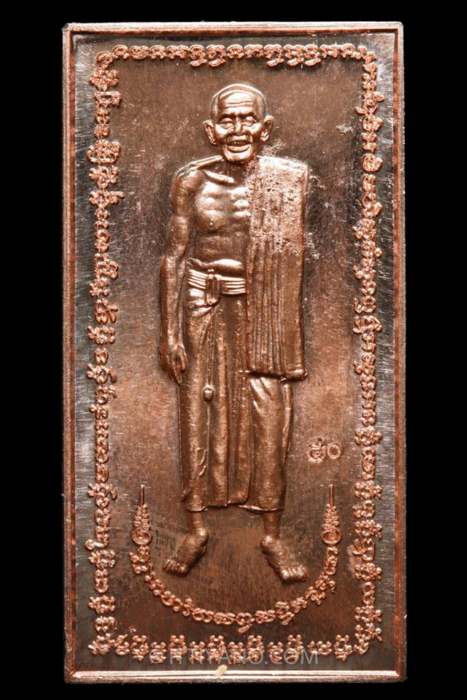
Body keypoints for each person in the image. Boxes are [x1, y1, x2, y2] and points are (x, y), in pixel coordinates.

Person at [159, 83, 309, 583]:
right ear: (212, 129)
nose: (238, 129)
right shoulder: (191, 182)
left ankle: (273, 535)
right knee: (195, 410)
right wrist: (169, 333)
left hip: (263, 310)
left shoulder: (285, 182)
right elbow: (174, 257)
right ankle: (195, 528)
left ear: (265, 129)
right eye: (228, 120)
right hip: (202, 305)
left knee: (270, 412)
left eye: (247, 119)